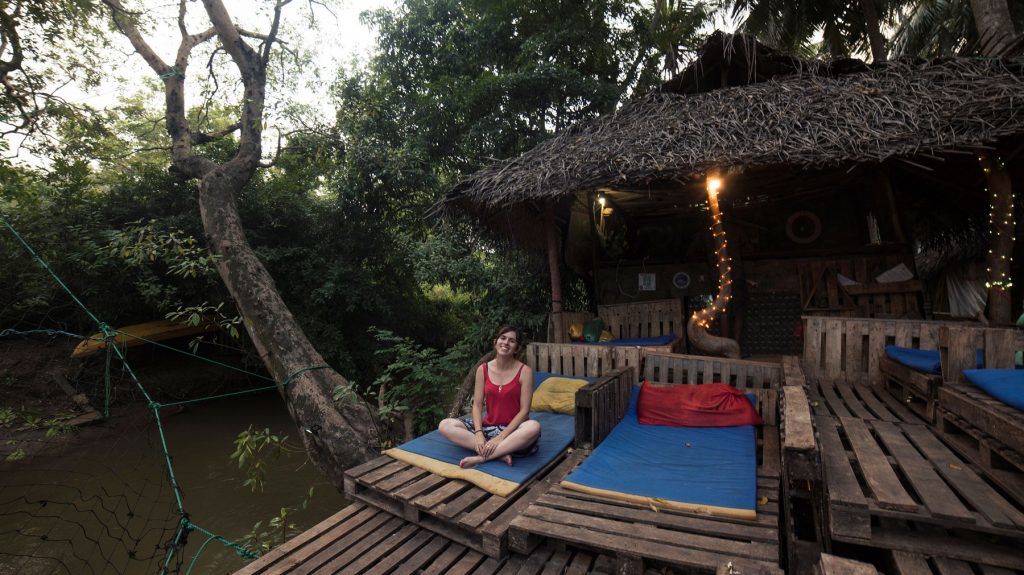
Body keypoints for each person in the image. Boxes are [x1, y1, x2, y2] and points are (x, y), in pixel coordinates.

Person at [438, 325, 541, 468]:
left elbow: (524, 411)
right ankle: (500, 452)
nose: (506, 342)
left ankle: (483, 457)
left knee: (533, 427)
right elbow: (477, 405)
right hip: (489, 428)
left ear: (517, 348)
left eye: (512, 341)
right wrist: (479, 433)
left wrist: (501, 437)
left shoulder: (525, 371)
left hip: (513, 431)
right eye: (503, 338)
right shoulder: (483, 369)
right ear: (495, 342)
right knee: (445, 425)